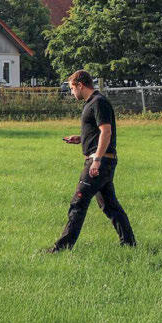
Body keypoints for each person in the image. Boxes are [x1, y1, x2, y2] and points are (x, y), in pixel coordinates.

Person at [48, 70, 136, 252]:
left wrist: (96, 159)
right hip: (103, 160)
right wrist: (81, 138)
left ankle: (61, 248)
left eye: (72, 88)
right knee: (110, 206)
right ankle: (129, 244)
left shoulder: (99, 102)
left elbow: (106, 131)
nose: (72, 92)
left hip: (99, 162)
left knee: (78, 204)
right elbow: (97, 132)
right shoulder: (92, 103)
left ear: (80, 85)